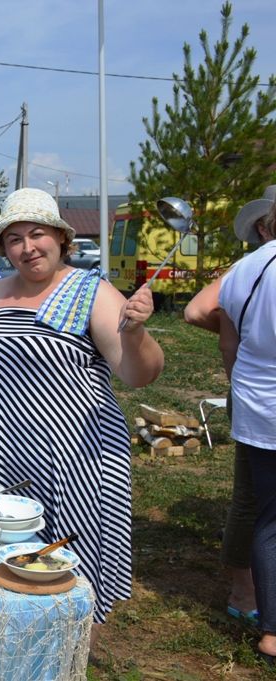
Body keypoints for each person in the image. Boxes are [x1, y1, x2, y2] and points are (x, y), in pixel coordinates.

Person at [0, 188, 164, 633]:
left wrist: (138, 333)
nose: (28, 248)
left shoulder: (92, 292)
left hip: (73, 462)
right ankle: (5, 647)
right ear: (4, 248)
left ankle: (64, 651)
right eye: (15, 239)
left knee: (63, 568)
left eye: (37, 234)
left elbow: (137, 375)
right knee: (0, 557)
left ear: (61, 239)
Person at [185, 184, 275, 626]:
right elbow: (198, 311)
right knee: (255, 501)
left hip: (254, 393)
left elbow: (203, 315)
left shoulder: (249, 269)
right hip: (259, 396)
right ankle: (245, 590)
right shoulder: (252, 267)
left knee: (257, 501)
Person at [218, 199, 276, 665]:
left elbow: (222, 328)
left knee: (267, 516)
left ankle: (271, 630)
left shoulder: (243, 269)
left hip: (259, 406)